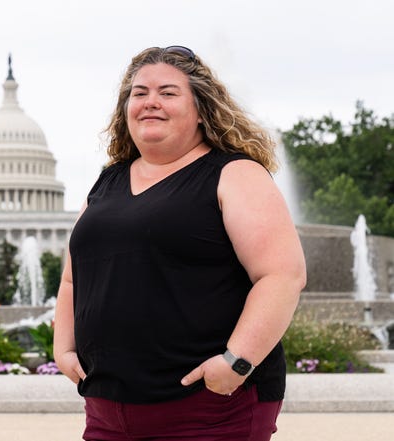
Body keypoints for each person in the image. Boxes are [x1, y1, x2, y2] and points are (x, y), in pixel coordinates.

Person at [53, 45, 307, 441]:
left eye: (168, 93)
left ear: (202, 109)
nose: (150, 102)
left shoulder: (234, 174)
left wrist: (236, 362)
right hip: (108, 408)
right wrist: (63, 347)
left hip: (207, 410)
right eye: (139, 93)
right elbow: (73, 279)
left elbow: (282, 275)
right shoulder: (108, 182)